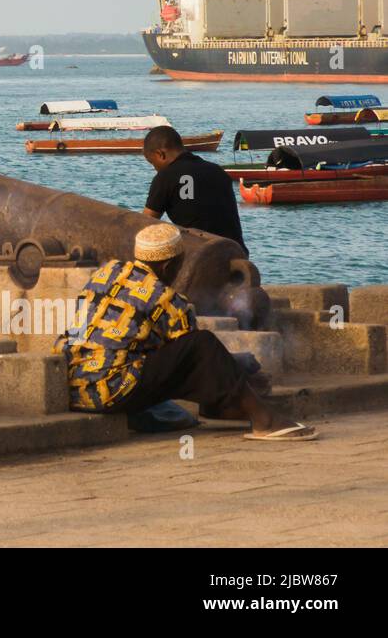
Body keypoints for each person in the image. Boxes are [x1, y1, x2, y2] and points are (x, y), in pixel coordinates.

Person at [55, 224, 316, 440]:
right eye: (180, 264)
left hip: (73, 387)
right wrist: (242, 368)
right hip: (110, 391)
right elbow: (197, 361)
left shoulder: (106, 273)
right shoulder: (166, 298)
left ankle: (229, 406)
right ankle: (264, 420)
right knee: (202, 343)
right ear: (170, 267)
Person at [143, 124, 248, 256]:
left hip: (203, 256)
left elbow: (146, 223)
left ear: (160, 154)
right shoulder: (217, 171)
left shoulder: (166, 176)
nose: (155, 169)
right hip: (237, 252)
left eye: (152, 163)